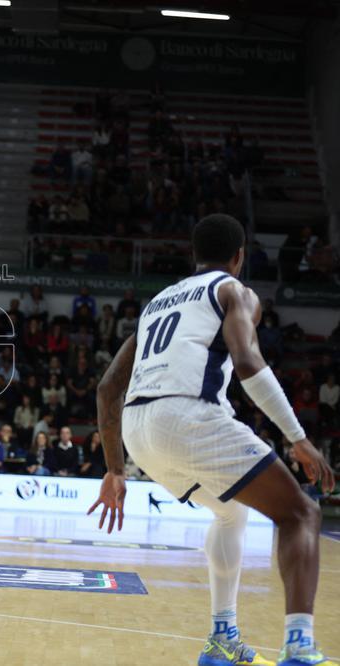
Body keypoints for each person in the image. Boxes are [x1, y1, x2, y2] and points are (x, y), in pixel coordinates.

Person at [89, 214, 336, 666]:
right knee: (301, 513)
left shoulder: (158, 302)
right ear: (239, 257)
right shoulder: (231, 290)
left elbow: (107, 388)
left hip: (138, 429)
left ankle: (222, 638)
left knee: (230, 511)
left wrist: (115, 468)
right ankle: (299, 647)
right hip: (187, 415)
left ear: (194, 256)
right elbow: (247, 361)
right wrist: (297, 438)